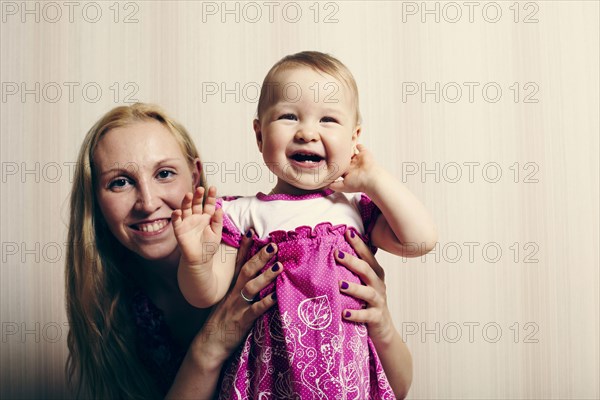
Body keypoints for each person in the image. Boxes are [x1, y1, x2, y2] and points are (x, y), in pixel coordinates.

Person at [65, 102, 412, 399]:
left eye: (165, 173)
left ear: (195, 174)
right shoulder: (109, 306)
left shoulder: (257, 248)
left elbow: (393, 388)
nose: (148, 202)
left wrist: (380, 324)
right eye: (119, 182)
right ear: (96, 198)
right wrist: (210, 346)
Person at [174, 52, 436, 399]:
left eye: (328, 119)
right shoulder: (242, 214)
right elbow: (204, 294)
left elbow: (421, 241)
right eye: (288, 116)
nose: (307, 132)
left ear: (355, 139)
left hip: (345, 382)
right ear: (259, 135)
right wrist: (197, 260)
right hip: (268, 383)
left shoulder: (355, 210)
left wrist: (374, 179)